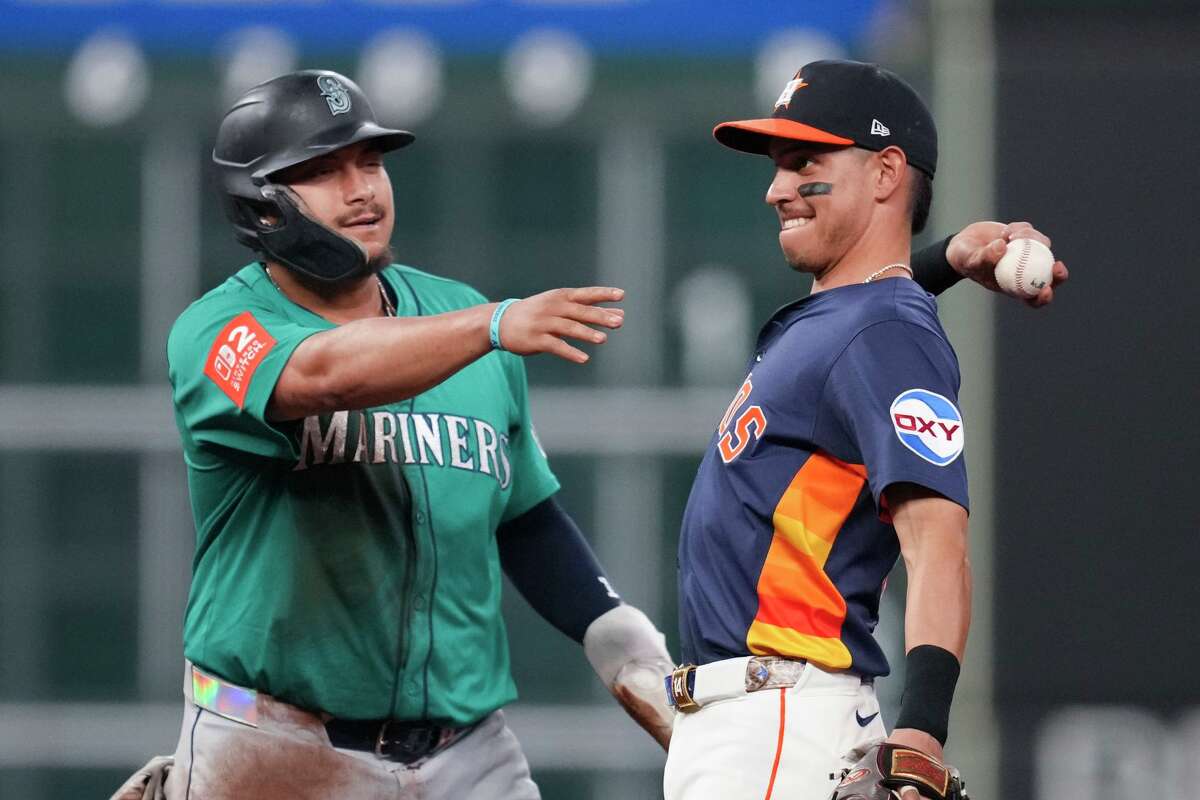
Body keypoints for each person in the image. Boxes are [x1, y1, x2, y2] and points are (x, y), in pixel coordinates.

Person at [145, 69, 676, 800]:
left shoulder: (456, 318)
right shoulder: (217, 331)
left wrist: (612, 632)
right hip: (275, 743)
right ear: (262, 206)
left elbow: (521, 515)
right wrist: (491, 326)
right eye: (323, 172)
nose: (362, 188)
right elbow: (323, 375)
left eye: (370, 161)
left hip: (469, 752)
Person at [662, 59, 1064, 799]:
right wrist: (942, 257)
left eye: (805, 162)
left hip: (783, 721)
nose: (777, 187)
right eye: (778, 165)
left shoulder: (885, 334)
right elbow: (867, 308)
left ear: (885, 173)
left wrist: (921, 731)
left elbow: (937, 543)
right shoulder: (861, 320)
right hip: (755, 722)